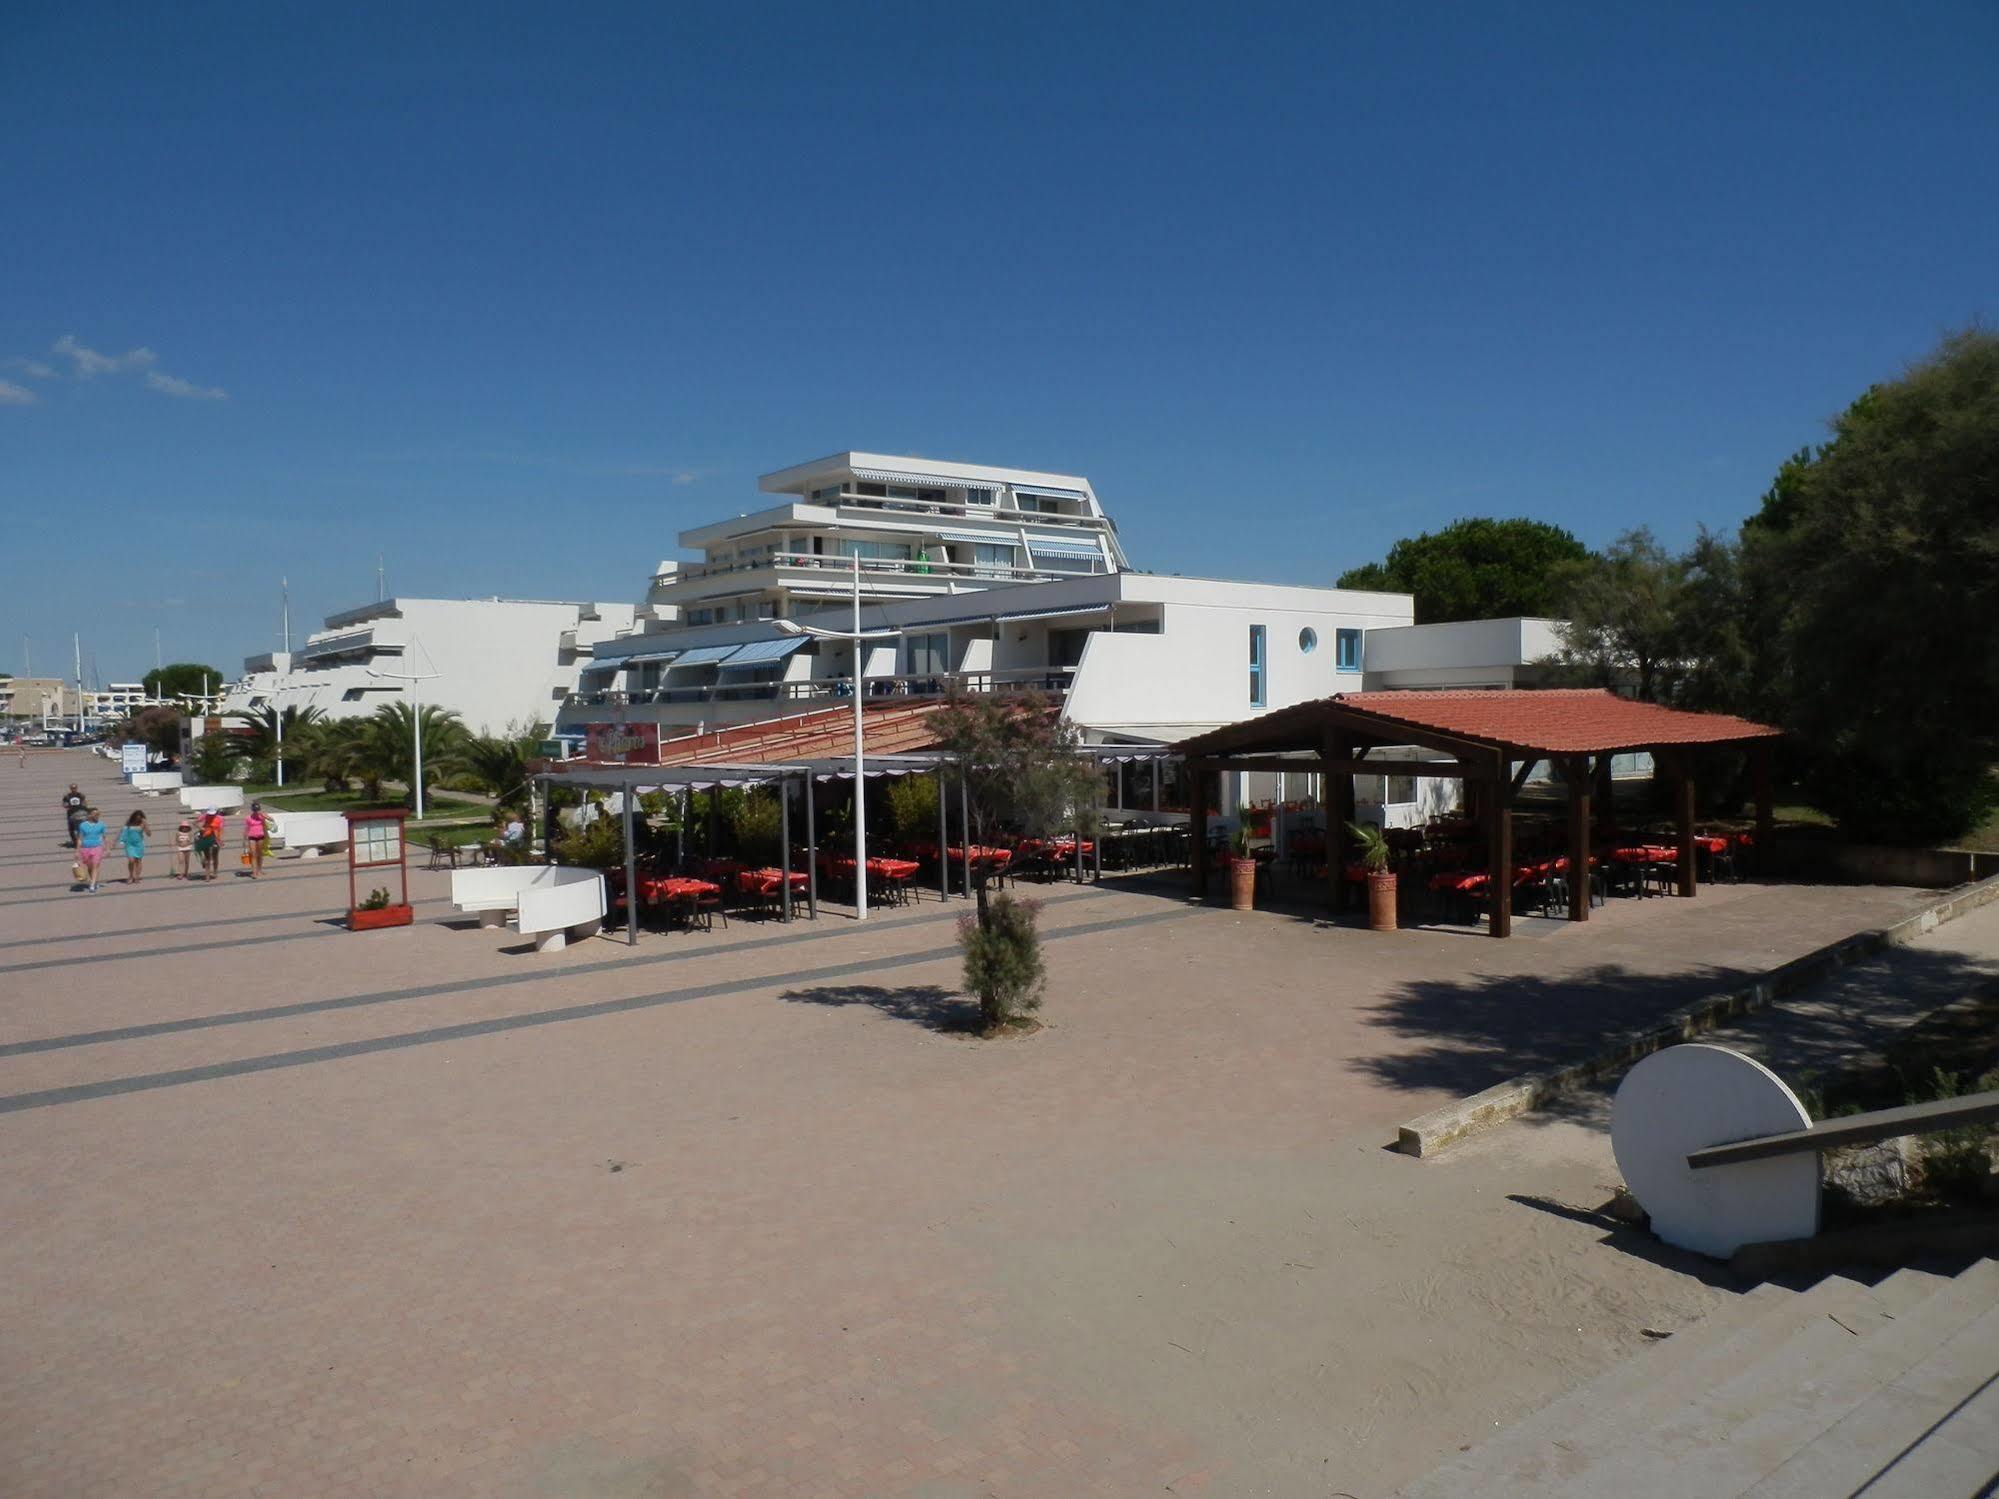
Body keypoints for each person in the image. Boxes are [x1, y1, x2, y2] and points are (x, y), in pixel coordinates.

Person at [74, 806, 107, 892]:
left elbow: (104, 837)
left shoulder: (101, 825)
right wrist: (77, 851)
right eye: (95, 814)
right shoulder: (83, 825)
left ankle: (92, 885)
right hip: (85, 848)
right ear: (89, 815)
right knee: (90, 867)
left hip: (97, 847)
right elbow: (80, 838)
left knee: (95, 865)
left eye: (98, 814)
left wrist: (107, 849)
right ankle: (94, 881)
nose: (97, 815)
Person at [242, 801, 270, 879]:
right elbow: (246, 829)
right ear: (252, 810)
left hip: (260, 836)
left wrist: (264, 816)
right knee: (253, 854)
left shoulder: (262, 816)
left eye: (257, 810)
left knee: (259, 854)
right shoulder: (248, 818)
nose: (256, 812)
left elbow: (271, 820)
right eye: (254, 810)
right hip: (252, 837)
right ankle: (254, 872)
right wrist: (244, 840)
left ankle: (259, 869)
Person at [120, 811, 149, 884]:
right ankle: (130, 876)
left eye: (140, 818)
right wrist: (121, 840)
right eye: (137, 818)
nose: (138, 820)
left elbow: (149, 834)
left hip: (139, 844)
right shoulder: (129, 822)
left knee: (138, 860)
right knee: (131, 860)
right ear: (134, 817)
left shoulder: (143, 823)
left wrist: (146, 826)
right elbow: (123, 830)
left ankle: (137, 877)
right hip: (129, 844)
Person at [194, 810, 222, 881]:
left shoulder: (220, 819)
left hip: (215, 838)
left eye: (213, 814)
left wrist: (220, 840)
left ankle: (215, 871)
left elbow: (220, 829)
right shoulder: (205, 816)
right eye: (210, 813)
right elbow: (194, 822)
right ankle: (207, 875)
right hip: (206, 837)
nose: (211, 815)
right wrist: (202, 828)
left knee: (215, 856)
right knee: (207, 857)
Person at [62, 783, 86, 847]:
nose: (74, 789)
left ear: (77, 788)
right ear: (70, 789)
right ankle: (75, 842)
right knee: (71, 829)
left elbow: (85, 803)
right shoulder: (67, 796)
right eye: (72, 788)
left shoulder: (81, 795)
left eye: (75, 788)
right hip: (71, 814)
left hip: (79, 814)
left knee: (78, 829)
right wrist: (67, 805)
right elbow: (64, 804)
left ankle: (79, 842)